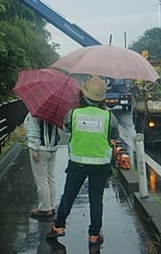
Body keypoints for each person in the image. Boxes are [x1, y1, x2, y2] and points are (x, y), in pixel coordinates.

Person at [46, 76, 119, 247]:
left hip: (77, 164)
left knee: (69, 196)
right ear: (101, 97)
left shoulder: (74, 113)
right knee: (96, 199)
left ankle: (58, 226)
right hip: (101, 165)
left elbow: (66, 128)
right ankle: (94, 235)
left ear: (84, 95)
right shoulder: (109, 116)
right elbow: (115, 136)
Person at [24, 112, 60, 219]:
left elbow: (33, 130)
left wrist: (34, 149)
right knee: (50, 178)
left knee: (41, 180)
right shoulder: (55, 113)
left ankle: (45, 208)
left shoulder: (35, 113)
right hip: (52, 148)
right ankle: (51, 205)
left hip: (40, 149)